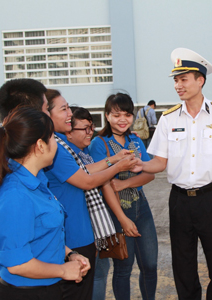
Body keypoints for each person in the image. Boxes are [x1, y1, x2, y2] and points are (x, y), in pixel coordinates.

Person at [137, 48, 212, 300]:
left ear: (200, 80)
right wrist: (136, 164)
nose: (178, 85)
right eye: (175, 80)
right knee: (182, 263)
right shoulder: (168, 118)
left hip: (211, 198)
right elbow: (160, 162)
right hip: (180, 200)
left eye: (183, 79)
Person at [0, 107, 90, 299]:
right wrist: (63, 270)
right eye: (54, 138)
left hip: (47, 289)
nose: (57, 143)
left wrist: (70, 254)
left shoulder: (36, 180)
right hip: (26, 293)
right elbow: (18, 264)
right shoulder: (16, 194)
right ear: (40, 145)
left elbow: (43, 233)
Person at [44, 89, 137, 300]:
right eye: (64, 108)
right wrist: (118, 165)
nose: (69, 113)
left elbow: (87, 170)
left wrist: (114, 161)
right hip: (71, 235)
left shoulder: (63, 145)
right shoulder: (55, 146)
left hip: (82, 232)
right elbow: (86, 180)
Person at [0, 78, 49, 283]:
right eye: (47, 108)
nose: (49, 113)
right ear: (29, 115)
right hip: (26, 271)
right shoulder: (12, 159)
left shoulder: (8, 145)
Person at [89, 93, 157, 300]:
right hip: (115, 212)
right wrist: (122, 219)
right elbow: (103, 181)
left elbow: (149, 174)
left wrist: (124, 183)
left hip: (141, 207)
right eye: (117, 114)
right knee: (123, 267)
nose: (122, 120)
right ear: (107, 116)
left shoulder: (135, 140)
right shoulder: (99, 144)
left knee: (150, 264)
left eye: (127, 115)